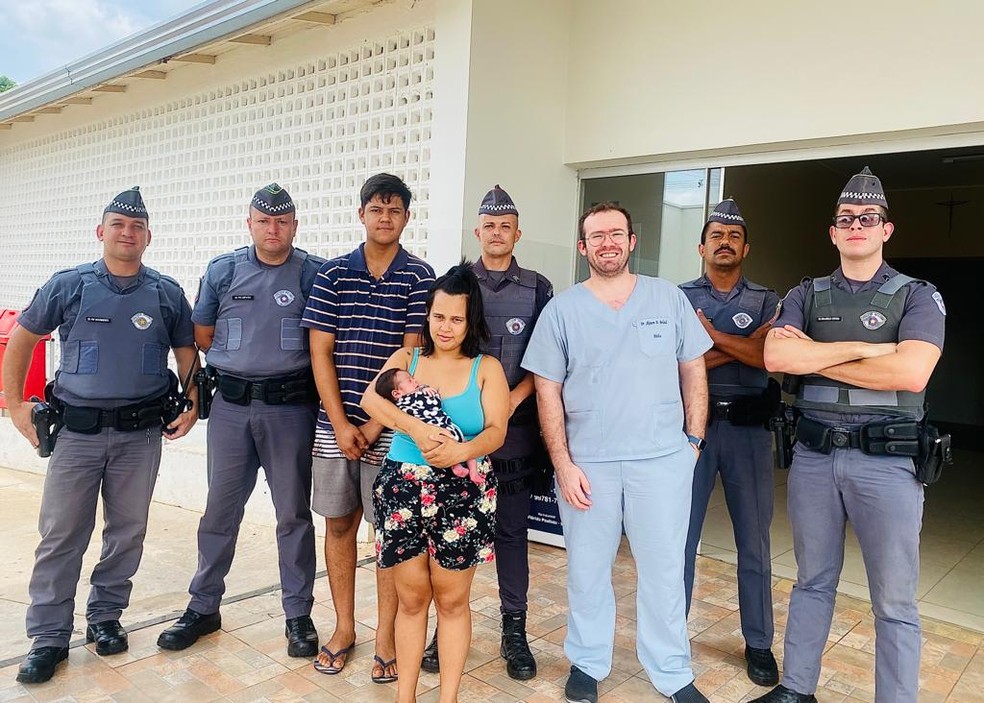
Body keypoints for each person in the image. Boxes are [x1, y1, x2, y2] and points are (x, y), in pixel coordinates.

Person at [752, 167, 946, 703]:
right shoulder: (805, 294)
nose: (856, 225)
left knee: (894, 599)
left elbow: (911, 374)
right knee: (812, 579)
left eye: (868, 218)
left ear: (886, 229)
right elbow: (776, 356)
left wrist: (815, 357)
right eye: (846, 219)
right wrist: (872, 350)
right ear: (832, 233)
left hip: (887, 463)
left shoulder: (918, 297)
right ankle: (796, 689)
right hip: (814, 457)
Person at [3, 187, 198, 684]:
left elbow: (186, 354)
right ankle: (48, 637)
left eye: (136, 227)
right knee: (62, 535)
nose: (127, 234)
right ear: (101, 231)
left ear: (148, 236)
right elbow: (22, 338)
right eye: (118, 225)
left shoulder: (165, 292)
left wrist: (194, 403)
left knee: (127, 532)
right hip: (78, 435)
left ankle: (105, 618)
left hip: (139, 435)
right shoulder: (68, 286)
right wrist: (15, 405)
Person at [522, 202, 713, 703]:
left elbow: (694, 369)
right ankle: (587, 661)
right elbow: (547, 392)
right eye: (596, 236)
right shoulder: (561, 310)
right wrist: (563, 465)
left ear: (632, 242)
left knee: (665, 572)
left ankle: (672, 671)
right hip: (589, 467)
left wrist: (693, 442)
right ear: (582, 247)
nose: (607, 242)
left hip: (663, 462)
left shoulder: (666, 298)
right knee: (587, 570)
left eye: (616, 233)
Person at [157, 184, 326, 657]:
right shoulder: (223, 270)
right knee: (219, 511)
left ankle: (298, 614)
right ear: (249, 223)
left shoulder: (313, 273)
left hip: (290, 409)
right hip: (231, 409)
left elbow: (320, 341)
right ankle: (203, 606)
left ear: (294, 224)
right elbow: (203, 335)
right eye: (263, 221)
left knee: (292, 515)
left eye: (283, 221)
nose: (273, 230)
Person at [301, 173, 435, 682]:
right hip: (332, 425)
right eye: (376, 209)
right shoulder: (333, 274)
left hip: (392, 429)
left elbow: (411, 358)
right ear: (362, 214)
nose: (385, 218)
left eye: (395, 210)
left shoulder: (420, 276)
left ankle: (385, 637)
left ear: (406, 217)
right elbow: (320, 350)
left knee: (389, 535)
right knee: (338, 524)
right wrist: (340, 422)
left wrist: (376, 425)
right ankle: (343, 628)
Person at [419, 185, 553, 681]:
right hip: (454, 433)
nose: (497, 234)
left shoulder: (538, 288)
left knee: (512, 532)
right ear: (478, 232)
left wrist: (508, 403)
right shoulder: (456, 282)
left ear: (517, 233)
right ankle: (442, 630)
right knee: (448, 535)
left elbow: (546, 360)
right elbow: (433, 350)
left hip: (514, 432)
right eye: (488, 226)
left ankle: (513, 631)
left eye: (506, 226)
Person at [360, 262, 510, 703]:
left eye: (457, 319)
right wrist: (418, 429)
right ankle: (404, 697)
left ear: (471, 321)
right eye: (438, 316)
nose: (446, 327)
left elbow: (497, 430)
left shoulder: (486, 368)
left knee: (451, 601)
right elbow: (371, 399)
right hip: (403, 489)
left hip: (462, 495)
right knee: (410, 600)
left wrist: (460, 452)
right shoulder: (406, 360)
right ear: (427, 315)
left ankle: (448, 698)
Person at [679, 198, 781, 686]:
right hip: (690, 431)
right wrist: (743, 347)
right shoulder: (676, 297)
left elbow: (769, 359)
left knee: (754, 542)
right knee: (680, 537)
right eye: (716, 235)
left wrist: (707, 339)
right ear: (702, 246)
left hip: (748, 432)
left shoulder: (766, 299)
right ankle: (670, 635)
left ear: (746, 248)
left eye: (733, 236)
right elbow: (670, 365)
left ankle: (758, 643)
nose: (724, 242)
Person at [374, 368, 482, 484]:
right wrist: (430, 393)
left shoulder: (410, 398)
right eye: (410, 381)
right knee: (451, 448)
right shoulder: (405, 402)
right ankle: (463, 469)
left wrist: (424, 389)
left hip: (444, 427)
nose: (415, 381)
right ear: (396, 393)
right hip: (436, 430)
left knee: (463, 448)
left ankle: (468, 470)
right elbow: (434, 402)